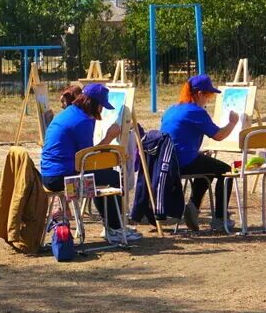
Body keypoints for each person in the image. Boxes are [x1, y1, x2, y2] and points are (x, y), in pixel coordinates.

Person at [39, 83, 140, 244]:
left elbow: (86, 157)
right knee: (113, 177)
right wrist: (108, 137)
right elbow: (89, 159)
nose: (101, 110)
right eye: (101, 106)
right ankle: (114, 229)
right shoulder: (82, 121)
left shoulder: (71, 113)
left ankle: (112, 226)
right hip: (60, 178)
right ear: (93, 104)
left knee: (102, 175)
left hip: (49, 175)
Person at [159, 74, 239, 232]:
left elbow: (177, 136)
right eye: (208, 96)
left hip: (168, 161)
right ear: (200, 93)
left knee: (207, 168)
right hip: (183, 161)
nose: (208, 100)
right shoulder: (196, 112)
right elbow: (219, 136)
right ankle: (220, 219)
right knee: (227, 172)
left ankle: (193, 207)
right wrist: (232, 123)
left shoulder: (172, 109)